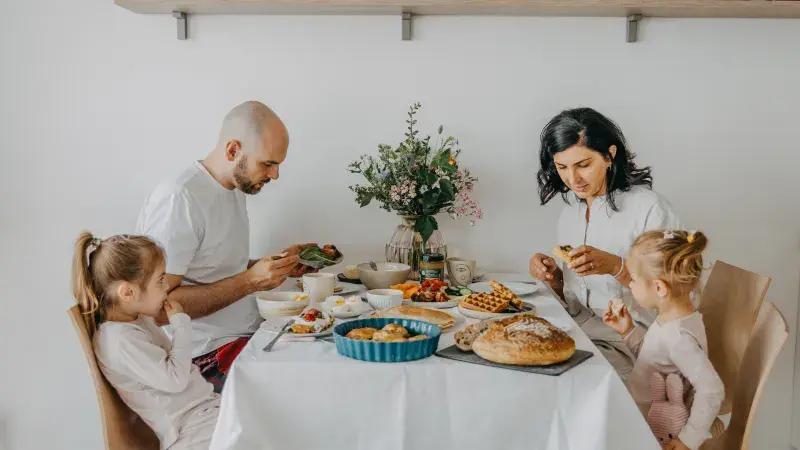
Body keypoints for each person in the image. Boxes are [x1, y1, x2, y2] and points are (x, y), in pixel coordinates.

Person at [135, 100, 312, 392]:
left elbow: (216, 270)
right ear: (233, 151)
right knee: (307, 386)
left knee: (329, 352)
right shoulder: (180, 198)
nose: (275, 175)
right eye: (268, 163)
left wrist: (277, 264)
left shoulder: (233, 189)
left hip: (244, 337)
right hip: (200, 358)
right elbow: (157, 309)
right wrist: (249, 282)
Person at [529, 107, 682, 380]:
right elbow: (579, 305)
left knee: (551, 383)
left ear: (609, 156)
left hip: (636, 346)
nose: (573, 179)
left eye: (583, 165)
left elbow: (677, 299)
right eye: (562, 167)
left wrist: (617, 267)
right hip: (579, 334)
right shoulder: (570, 215)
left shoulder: (649, 208)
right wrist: (555, 282)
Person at [73, 232, 220, 449]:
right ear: (128, 292)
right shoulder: (119, 340)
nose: (166, 288)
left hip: (203, 414)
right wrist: (181, 327)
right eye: (160, 280)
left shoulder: (137, 321)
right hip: (188, 431)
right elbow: (175, 380)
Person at [603, 230, 723, 450]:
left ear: (659, 287)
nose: (629, 285)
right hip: (645, 416)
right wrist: (628, 331)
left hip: (658, 430)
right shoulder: (675, 321)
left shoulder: (679, 337)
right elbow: (657, 361)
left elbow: (712, 388)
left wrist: (689, 439)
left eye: (633, 279)